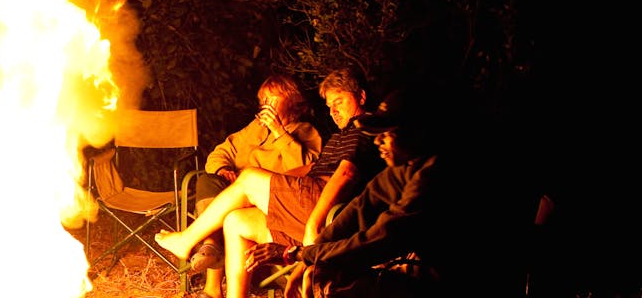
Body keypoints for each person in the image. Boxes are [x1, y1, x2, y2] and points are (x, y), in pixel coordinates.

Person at [245, 87, 531, 297]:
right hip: (427, 266)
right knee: (332, 279)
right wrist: (311, 256)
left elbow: (383, 238)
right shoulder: (405, 166)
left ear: (416, 132)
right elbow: (360, 210)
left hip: (473, 277)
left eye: (387, 133)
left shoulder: (437, 172)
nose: (378, 142)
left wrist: (298, 255)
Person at [157, 69, 385, 298]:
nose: (333, 110)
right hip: (306, 205)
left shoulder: (364, 128)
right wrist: (263, 179)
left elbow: (345, 175)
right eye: (329, 105)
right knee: (236, 221)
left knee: (248, 179)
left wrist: (313, 225)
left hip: (325, 212)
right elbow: (311, 168)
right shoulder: (340, 135)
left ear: (361, 97)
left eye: (339, 101)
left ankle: (186, 240)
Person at [185, 75, 321, 296]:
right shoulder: (255, 128)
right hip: (235, 192)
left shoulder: (306, 132)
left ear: (293, 102)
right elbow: (220, 152)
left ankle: (211, 282)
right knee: (207, 180)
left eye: (273, 99)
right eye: (263, 99)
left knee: (229, 209)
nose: (266, 104)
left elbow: (304, 172)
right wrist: (222, 170)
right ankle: (212, 248)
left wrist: (279, 133)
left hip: (268, 202)